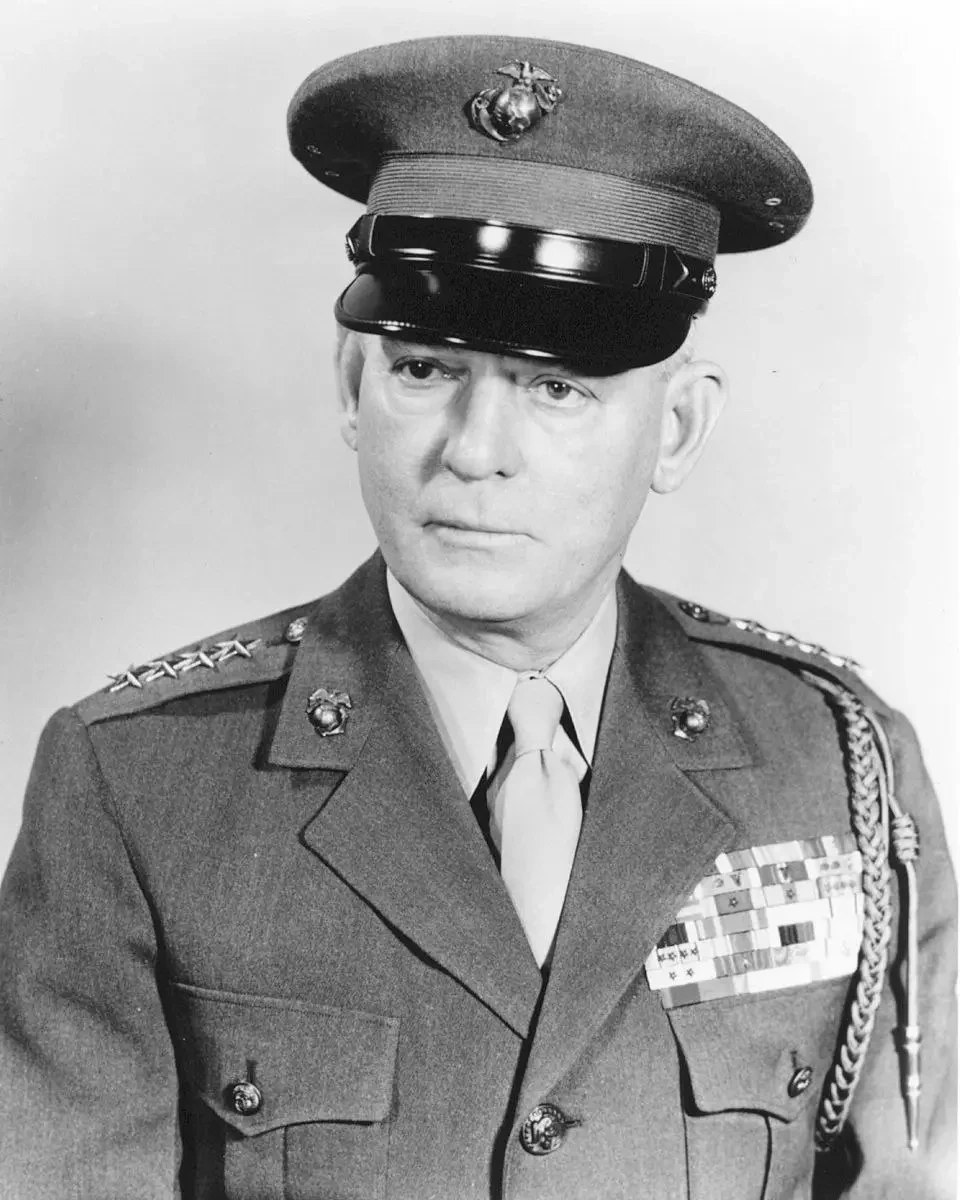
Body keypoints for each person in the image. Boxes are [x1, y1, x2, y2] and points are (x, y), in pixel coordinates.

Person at [0, 34, 954, 1200]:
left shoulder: (837, 766)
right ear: (351, 386)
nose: (474, 451)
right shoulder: (141, 784)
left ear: (677, 430)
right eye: (424, 370)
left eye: (557, 388)